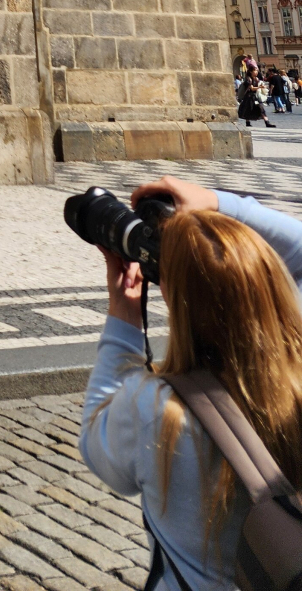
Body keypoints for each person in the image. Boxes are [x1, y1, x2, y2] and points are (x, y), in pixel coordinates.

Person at [81, 174, 302, 590]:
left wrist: (123, 320)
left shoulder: (155, 408)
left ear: (173, 297)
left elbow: (99, 448)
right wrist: (220, 206)